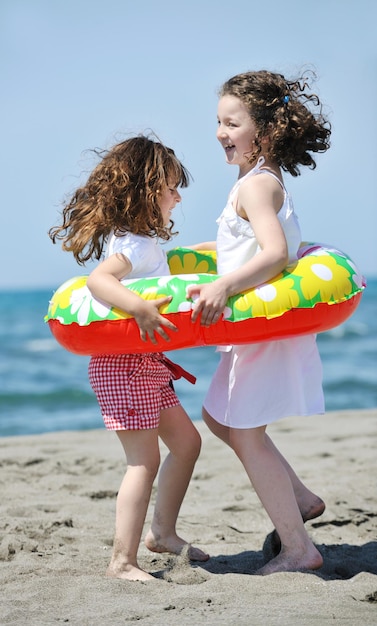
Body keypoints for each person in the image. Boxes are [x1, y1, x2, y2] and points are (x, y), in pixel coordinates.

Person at [187, 70, 331, 575]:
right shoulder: (253, 180)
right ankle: (302, 498)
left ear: (264, 131)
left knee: (245, 433)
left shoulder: (258, 185)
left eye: (232, 123)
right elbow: (244, 244)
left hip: (262, 328)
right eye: (218, 123)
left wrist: (225, 286)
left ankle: (299, 549)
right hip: (250, 332)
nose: (221, 132)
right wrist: (199, 257)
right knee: (219, 418)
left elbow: (274, 253)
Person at [49, 135, 209, 581]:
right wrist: (139, 308)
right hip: (122, 364)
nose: (178, 197)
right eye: (172, 188)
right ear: (146, 191)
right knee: (144, 462)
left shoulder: (144, 244)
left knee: (188, 444)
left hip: (147, 364)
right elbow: (99, 280)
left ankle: (163, 533)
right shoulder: (132, 246)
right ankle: (122, 561)